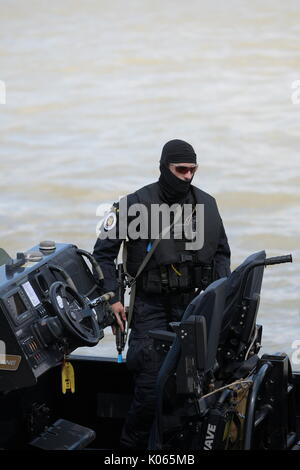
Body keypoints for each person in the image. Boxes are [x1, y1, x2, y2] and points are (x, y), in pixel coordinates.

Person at [92, 139, 231, 449]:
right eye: (181, 170)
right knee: (150, 387)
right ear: (164, 168)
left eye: (193, 170)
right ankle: (130, 449)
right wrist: (112, 298)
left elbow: (222, 254)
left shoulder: (206, 204)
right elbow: (102, 254)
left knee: (190, 388)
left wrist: (218, 300)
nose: (188, 177)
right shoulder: (132, 205)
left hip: (192, 304)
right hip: (149, 306)